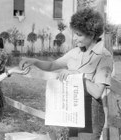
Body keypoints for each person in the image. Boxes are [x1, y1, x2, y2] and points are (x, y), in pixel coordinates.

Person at [19, 8, 113, 140]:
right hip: (73, 111)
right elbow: (52, 65)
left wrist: (77, 75)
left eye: (78, 35)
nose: (74, 38)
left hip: (91, 115)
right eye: (74, 34)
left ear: (91, 35)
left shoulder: (104, 56)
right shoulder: (75, 52)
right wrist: (34, 61)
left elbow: (97, 92)